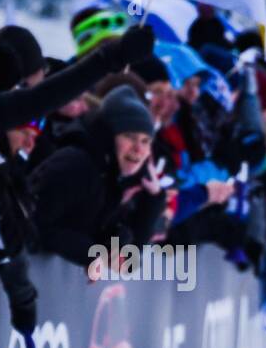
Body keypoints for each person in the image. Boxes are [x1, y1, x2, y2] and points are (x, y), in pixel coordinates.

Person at [28, 85, 165, 274]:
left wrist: (153, 199)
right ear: (109, 136)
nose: (139, 149)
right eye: (130, 137)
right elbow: (35, 225)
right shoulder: (75, 164)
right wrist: (93, 254)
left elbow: (130, 259)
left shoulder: (112, 176)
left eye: (145, 141)